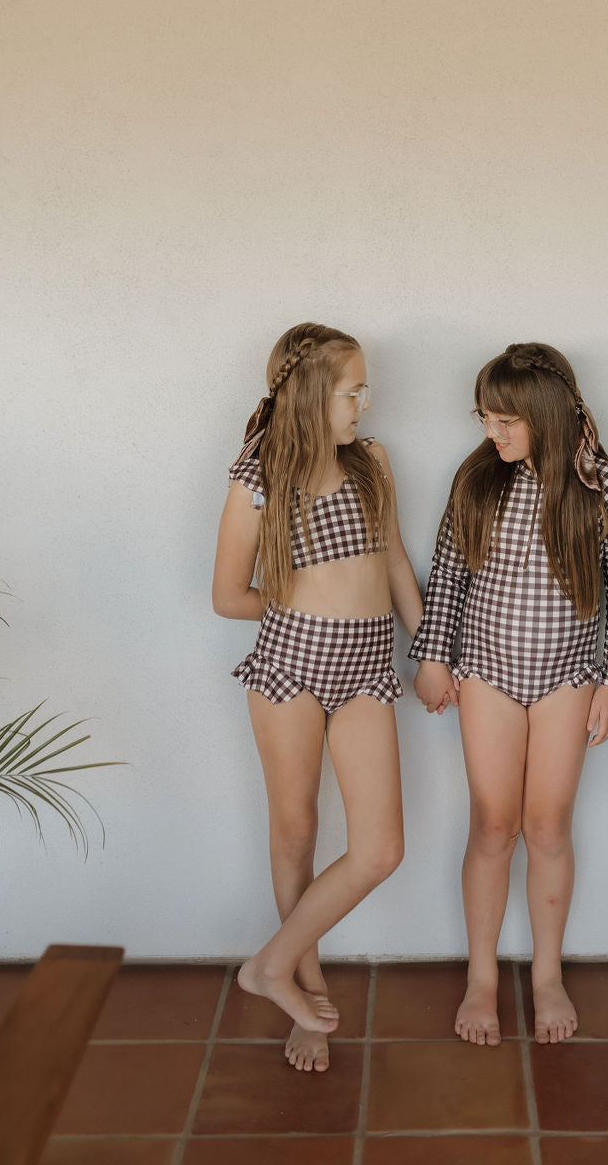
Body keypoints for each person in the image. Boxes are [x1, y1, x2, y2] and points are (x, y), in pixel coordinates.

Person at [410, 342, 608, 1046]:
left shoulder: (607, 489)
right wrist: (431, 658)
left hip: (568, 677)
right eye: (485, 418)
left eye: (507, 420)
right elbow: (448, 575)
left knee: (547, 826)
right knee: (492, 824)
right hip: (485, 673)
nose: (493, 433)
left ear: (547, 414)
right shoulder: (479, 481)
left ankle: (545, 975)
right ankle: (482, 977)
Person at [213, 322, 422, 1073]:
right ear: (308, 396)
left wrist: (428, 649)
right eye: (351, 390)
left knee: (379, 849)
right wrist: (305, 603)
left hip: (368, 669)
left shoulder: (372, 462)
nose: (364, 402)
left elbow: (395, 561)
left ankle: (267, 964)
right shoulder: (260, 475)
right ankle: (304, 996)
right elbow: (227, 596)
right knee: (296, 834)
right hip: (291, 671)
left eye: (364, 388)